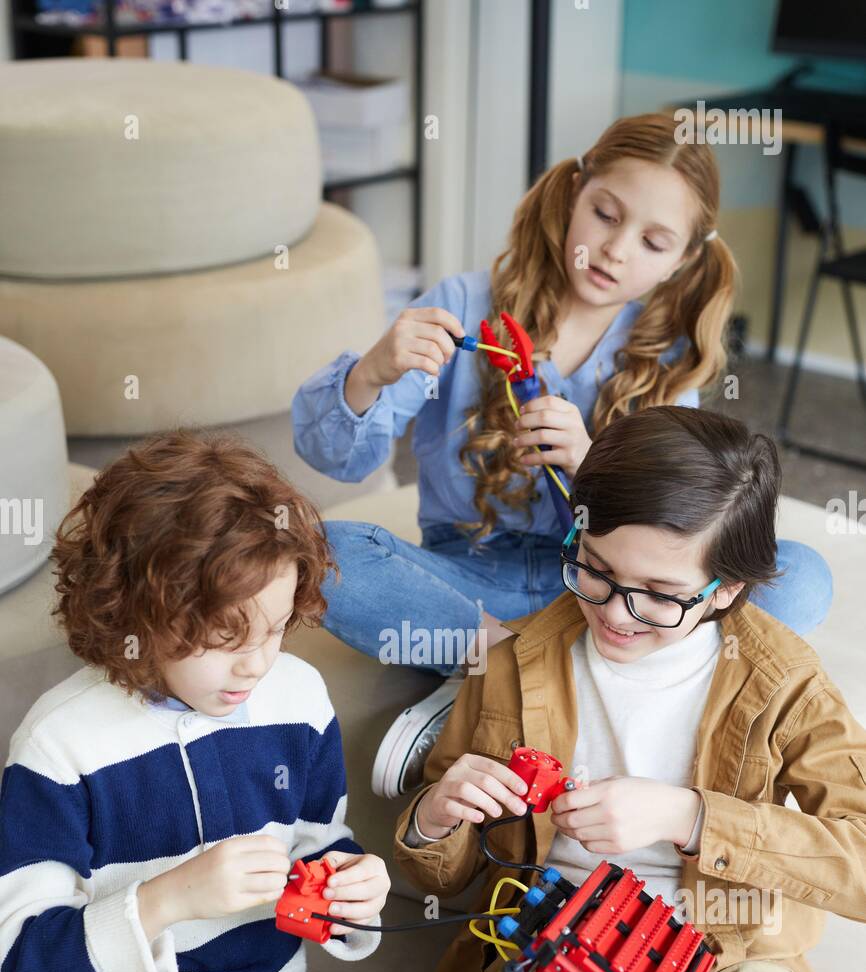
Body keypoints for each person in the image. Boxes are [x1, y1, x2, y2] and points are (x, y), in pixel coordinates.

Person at [392, 406, 866, 972]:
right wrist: (434, 817)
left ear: (725, 589)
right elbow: (438, 868)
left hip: (726, 944)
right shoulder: (516, 662)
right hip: (561, 947)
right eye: (596, 572)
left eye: (656, 594)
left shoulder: (783, 676)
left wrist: (692, 817)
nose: (616, 612)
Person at [291, 113, 833, 798]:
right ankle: (537, 676)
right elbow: (332, 457)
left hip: (604, 589)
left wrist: (593, 467)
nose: (614, 250)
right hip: (469, 578)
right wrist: (370, 372)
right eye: (604, 214)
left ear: (685, 259)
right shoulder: (463, 305)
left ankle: (501, 688)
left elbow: (682, 519)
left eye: (653, 241)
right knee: (326, 552)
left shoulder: (671, 357)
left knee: (802, 577)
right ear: (574, 192)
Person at [0, 431, 389, 972]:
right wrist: (170, 898)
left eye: (279, 629)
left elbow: (320, 842)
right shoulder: (59, 745)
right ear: (131, 615)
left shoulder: (295, 698)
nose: (255, 664)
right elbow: (23, 957)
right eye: (222, 637)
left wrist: (354, 885)